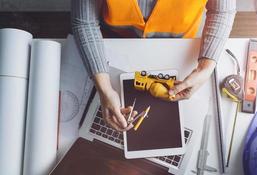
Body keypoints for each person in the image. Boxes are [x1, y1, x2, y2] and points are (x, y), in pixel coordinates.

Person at [71, 0, 236, 131]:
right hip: (111, 43)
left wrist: (205, 68)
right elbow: (85, 23)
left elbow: (222, 11)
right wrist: (105, 89)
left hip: (177, 48)